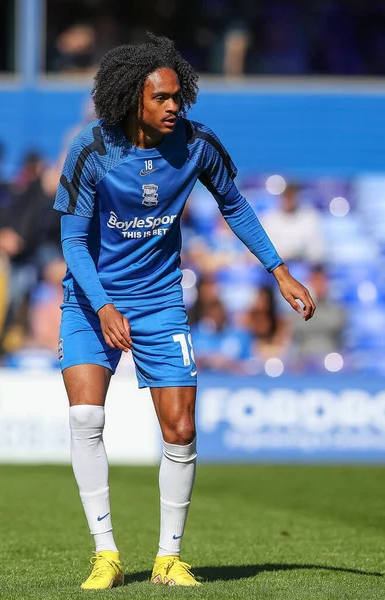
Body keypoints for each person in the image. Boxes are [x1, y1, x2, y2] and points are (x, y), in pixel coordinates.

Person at [53, 33, 316, 590]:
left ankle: (169, 559)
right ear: (132, 101)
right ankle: (107, 554)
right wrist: (102, 305)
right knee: (85, 419)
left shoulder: (198, 145)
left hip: (160, 303)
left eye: (179, 96)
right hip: (90, 299)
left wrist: (280, 271)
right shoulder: (90, 151)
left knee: (180, 428)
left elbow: (235, 204)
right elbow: (73, 242)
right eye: (162, 99)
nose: (175, 106)